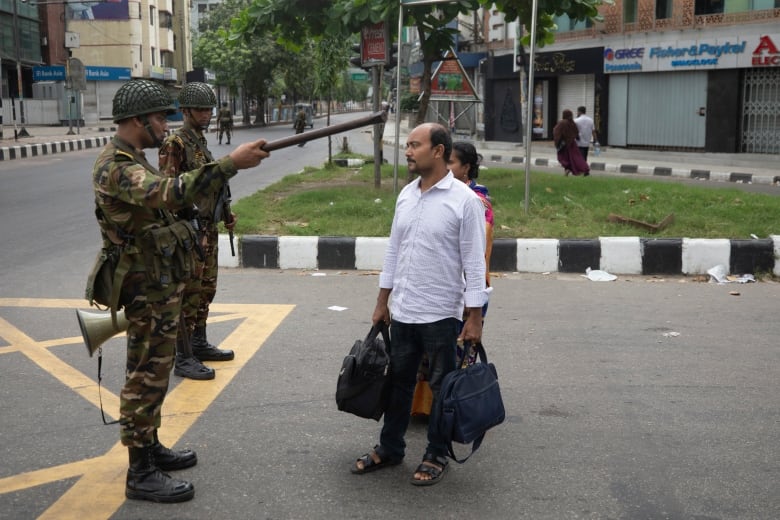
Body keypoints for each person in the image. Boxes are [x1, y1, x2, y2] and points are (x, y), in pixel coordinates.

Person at [91, 79, 269, 503]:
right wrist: (230, 164)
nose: (164, 125)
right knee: (145, 376)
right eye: (158, 118)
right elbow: (166, 192)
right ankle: (140, 473)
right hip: (143, 286)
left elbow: (171, 200)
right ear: (137, 120)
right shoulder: (116, 165)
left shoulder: (133, 156)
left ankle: (149, 448)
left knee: (155, 371)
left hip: (156, 281)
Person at [351, 123, 488, 486]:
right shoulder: (407, 195)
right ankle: (391, 447)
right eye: (408, 145)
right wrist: (383, 300)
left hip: (442, 314)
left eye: (415, 145)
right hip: (405, 311)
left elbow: (475, 263)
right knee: (398, 384)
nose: (408, 151)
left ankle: (436, 454)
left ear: (439, 151)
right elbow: (394, 251)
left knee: (442, 389)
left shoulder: (465, 201)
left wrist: (474, 319)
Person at [159, 82, 236, 381]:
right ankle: (183, 356)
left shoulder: (199, 142)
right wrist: (184, 228)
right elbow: (167, 192)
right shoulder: (175, 144)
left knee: (206, 290)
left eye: (209, 109)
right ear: (186, 110)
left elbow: (213, 185)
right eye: (201, 109)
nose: (206, 114)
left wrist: (226, 213)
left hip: (208, 228)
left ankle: (199, 342)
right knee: (188, 294)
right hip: (190, 230)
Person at [553, 109, 590, 177]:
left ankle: (567, 169)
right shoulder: (572, 123)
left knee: (563, 158)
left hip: (564, 144)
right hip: (572, 144)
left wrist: (557, 141)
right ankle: (583, 169)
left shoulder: (562, 123)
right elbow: (576, 132)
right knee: (575, 158)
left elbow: (556, 131)